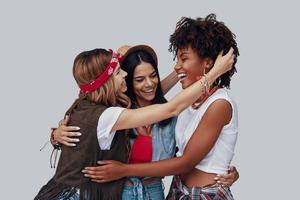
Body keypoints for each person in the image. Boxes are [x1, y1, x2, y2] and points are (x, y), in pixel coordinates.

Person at [35, 44, 234, 199]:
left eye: (153, 76)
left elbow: (188, 152)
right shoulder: (116, 113)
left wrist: (224, 169)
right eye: (137, 79)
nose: (148, 83)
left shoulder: (169, 118)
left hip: (154, 191)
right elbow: (171, 105)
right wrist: (56, 135)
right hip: (120, 192)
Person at [82, 14, 239, 200]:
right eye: (139, 79)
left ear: (208, 62)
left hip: (204, 195)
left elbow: (187, 162)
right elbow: (90, 115)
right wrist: (57, 133)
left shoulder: (219, 104)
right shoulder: (186, 101)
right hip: (177, 190)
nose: (177, 66)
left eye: (183, 59)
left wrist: (123, 170)